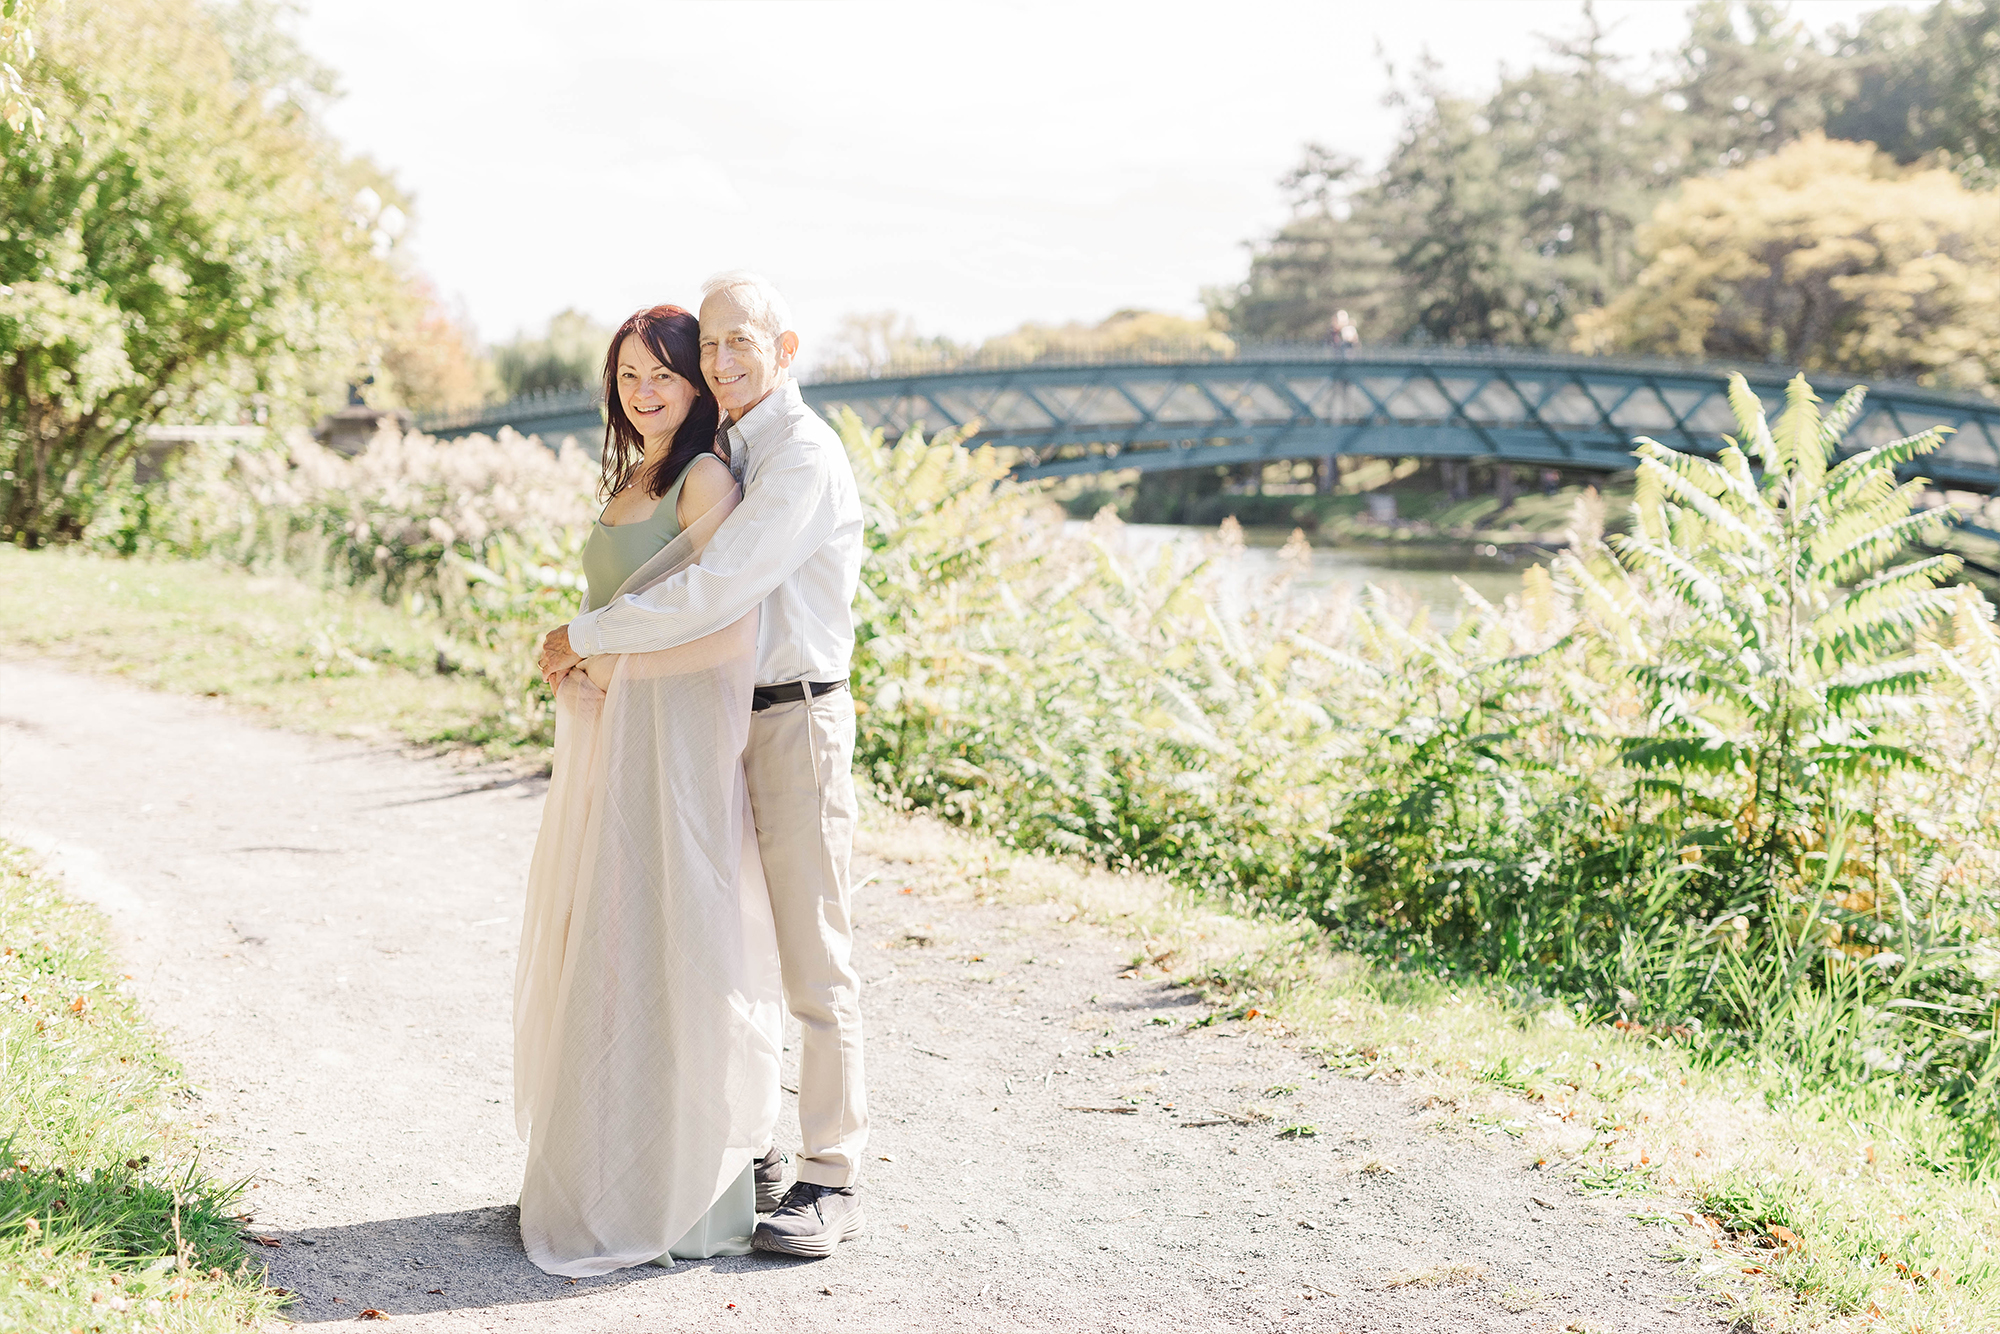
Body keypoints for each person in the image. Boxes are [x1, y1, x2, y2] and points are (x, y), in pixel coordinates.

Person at [538, 271, 868, 1259]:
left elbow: (720, 589)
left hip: (794, 717)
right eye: (710, 345)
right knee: (723, 938)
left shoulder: (801, 457)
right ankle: (750, 1147)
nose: (720, 361)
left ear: (786, 345)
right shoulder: (727, 449)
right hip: (712, 722)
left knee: (812, 951)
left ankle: (831, 1174)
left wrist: (589, 635)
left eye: (740, 343)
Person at [513, 304, 785, 1277]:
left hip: (672, 745)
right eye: (628, 374)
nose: (644, 390)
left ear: (699, 383)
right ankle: (598, 1175)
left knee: (670, 945)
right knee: (603, 942)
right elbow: (619, 608)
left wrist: (605, 669)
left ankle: (678, 1189)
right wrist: (586, 674)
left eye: (663, 372)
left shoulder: (706, 478)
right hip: (605, 740)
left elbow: (726, 632)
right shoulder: (631, 474)